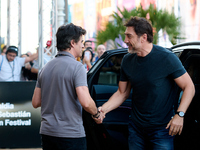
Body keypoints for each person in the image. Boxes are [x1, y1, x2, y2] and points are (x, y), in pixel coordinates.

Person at [95, 16, 195, 150]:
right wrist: (103, 110)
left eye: (129, 36)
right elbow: (122, 93)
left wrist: (180, 114)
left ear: (143, 37)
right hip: (136, 128)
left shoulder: (166, 58)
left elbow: (189, 87)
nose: (125, 41)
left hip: (162, 129)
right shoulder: (127, 60)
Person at [32, 23, 102, 150]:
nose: (82, 45)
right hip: (71, 135)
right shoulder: (77, 67)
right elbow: (86, 102)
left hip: (47, 133)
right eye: (81, 41)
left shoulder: (45, 68)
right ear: (72, 43)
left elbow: (35, 102)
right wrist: (97, 114)